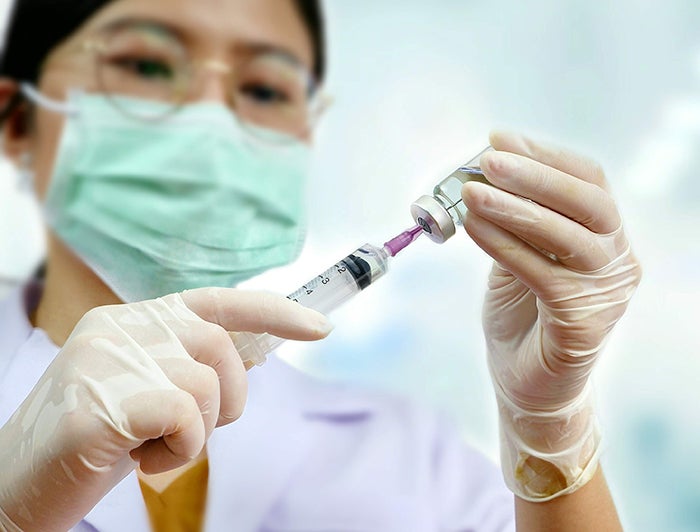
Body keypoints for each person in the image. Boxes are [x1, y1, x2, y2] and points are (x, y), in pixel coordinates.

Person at [0, 0, 641, 530]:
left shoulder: (406, 463)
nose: (215, 122)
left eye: (262, 88)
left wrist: (549, 432)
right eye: (144, 63)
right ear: (17, 119)